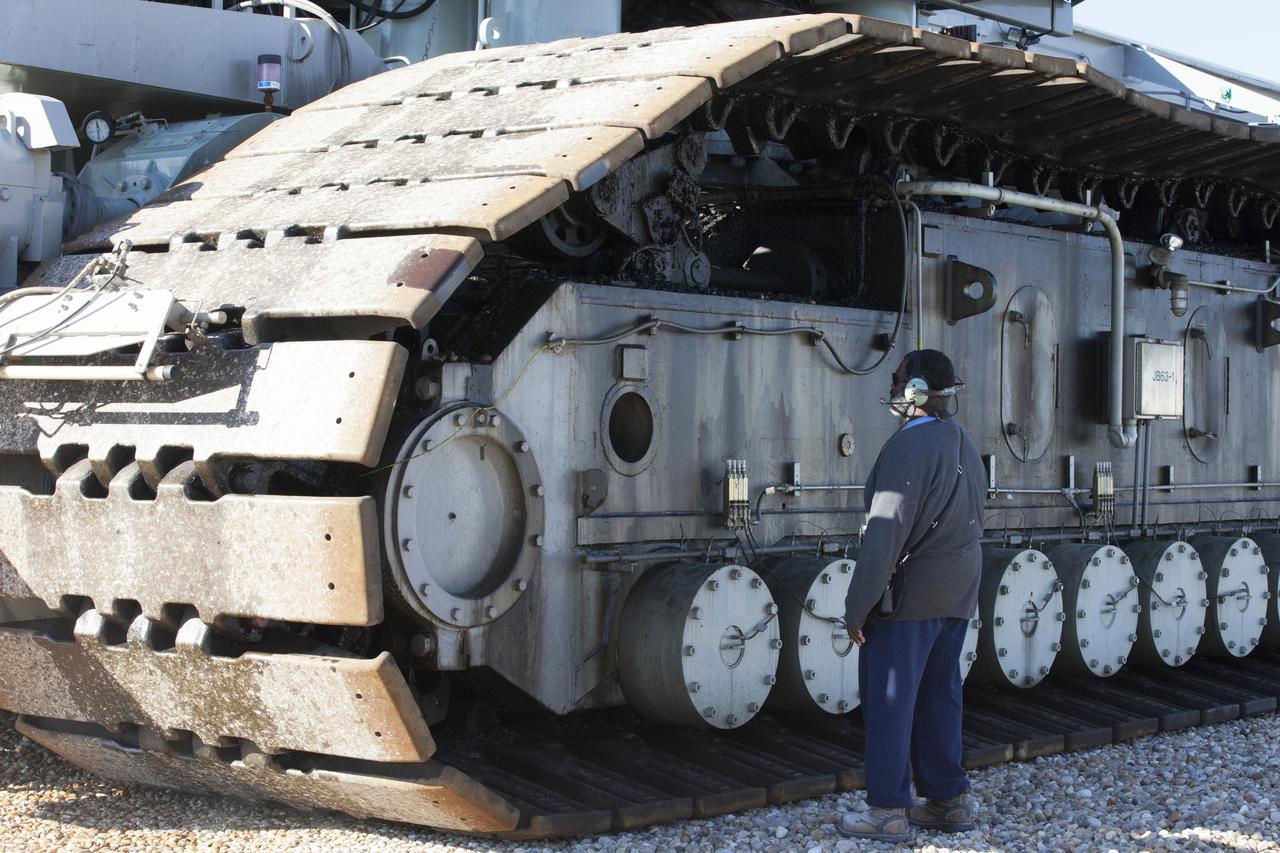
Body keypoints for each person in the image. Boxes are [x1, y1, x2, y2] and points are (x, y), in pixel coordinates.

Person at [838, 349, 986, 842]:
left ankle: (887, 810)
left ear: (915, 391)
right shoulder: (963, 442)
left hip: (910, 596)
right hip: (958, 591)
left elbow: (885, 532)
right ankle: (948, 801)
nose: (893, 388)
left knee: (890, 699)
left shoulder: (907, 447)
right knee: (940, 695)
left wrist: (856, 605)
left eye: (897, 380)